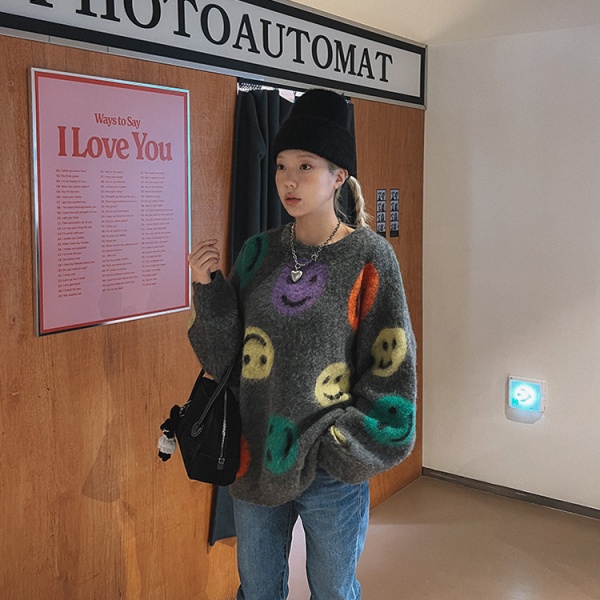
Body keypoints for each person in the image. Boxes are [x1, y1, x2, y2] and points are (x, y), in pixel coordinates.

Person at [187, 89, 417, 600]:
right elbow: (225, 361)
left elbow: (391, 369)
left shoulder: (370, 257)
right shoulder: (258, 252)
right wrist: (208, 290)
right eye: (281, 166)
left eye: (305, 167)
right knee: (258, 589)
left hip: (330, 468)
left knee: (333, 591)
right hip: (255, 457)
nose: (288, 180)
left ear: (338, 177)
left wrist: (340, 446)